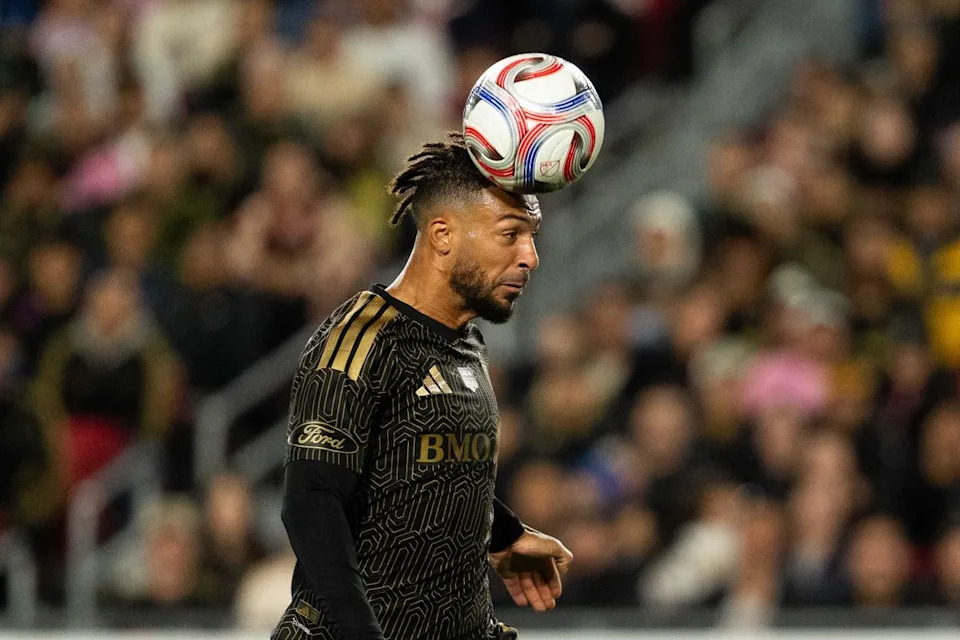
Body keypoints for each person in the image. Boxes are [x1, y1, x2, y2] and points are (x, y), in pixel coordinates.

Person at [272, 133, 572, 640]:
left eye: (532, 237)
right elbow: (312, 503)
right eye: (510, 234)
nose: (530, 257)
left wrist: (502, 533)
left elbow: (416, 466)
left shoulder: (465, 342)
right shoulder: (361, 339)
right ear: (442, 234)